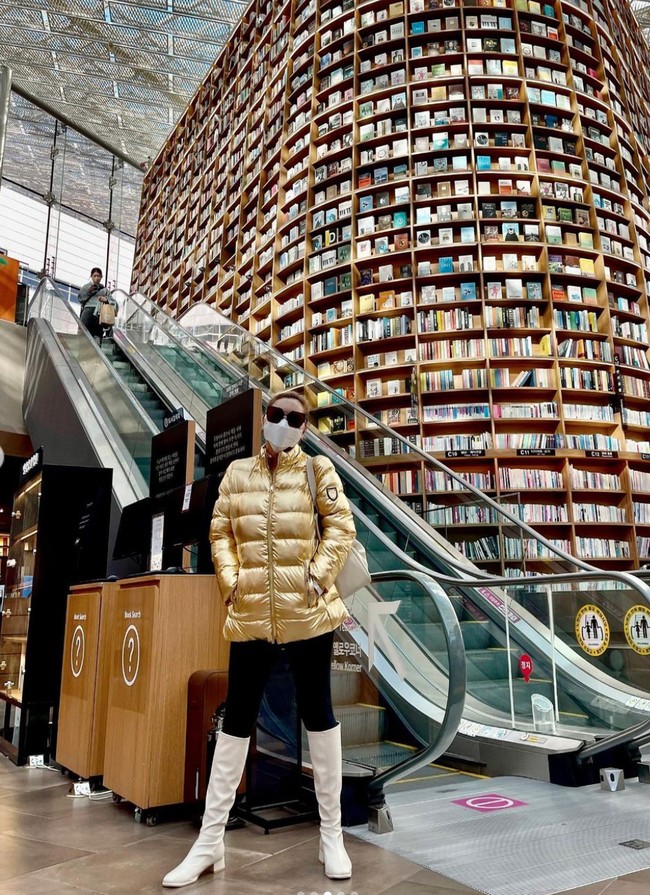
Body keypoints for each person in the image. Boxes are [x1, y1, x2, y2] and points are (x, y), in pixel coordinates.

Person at [163, 390, 356, 889]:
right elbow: (219, 531)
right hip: (251, 613)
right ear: (264, 418)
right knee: (238, 718)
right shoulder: (237, 474)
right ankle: (209, 843)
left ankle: (331, 835)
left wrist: (316, 578)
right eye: (277, 415)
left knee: (320, 714)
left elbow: (341, 528)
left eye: (296, 418)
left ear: (306, 428)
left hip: (309, 615)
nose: (285, 424)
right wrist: (231, 583)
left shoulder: (318, 473)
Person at [78, 267, 118, 343]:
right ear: (91, 276)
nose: (96, 278)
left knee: (98, 336)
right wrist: (88, 292)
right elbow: (80, 299)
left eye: (98, 276)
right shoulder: (86, 287)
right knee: (83, 334)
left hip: (100, 313)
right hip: (87, 312)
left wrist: (106, 300)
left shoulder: (104, 290)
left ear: (101, 277)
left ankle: (96, 353)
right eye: (94, 276)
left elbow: (114, 303)